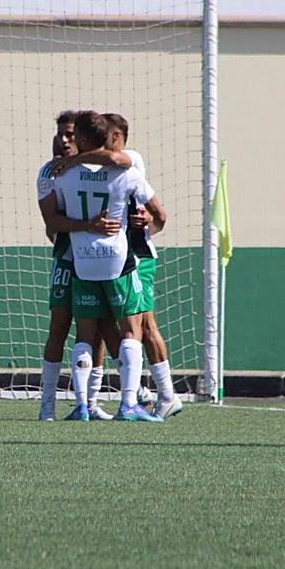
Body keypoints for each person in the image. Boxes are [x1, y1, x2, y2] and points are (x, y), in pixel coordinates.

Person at [51, 113, 183, 419]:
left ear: (115, 138)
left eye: (72, 135)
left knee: (143, 325)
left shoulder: (128, 160)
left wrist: (148, 225)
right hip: (110, 258)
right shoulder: (88, 168)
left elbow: (155, 213)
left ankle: (164, 394)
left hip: (135, 254)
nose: (66, 141)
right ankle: (122, 396)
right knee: (108, 327)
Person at [34, 110, 119, 421]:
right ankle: (47, 405)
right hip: (67, 259)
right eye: (61, 134)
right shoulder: (49, 172)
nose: (64, 140)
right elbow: (51, 220)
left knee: (97, 330)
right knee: (58, 328)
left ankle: (90, 402)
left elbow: (123, 161)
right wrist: (87, 225)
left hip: (102, 259)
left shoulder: (103, 166)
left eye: (71, 134)